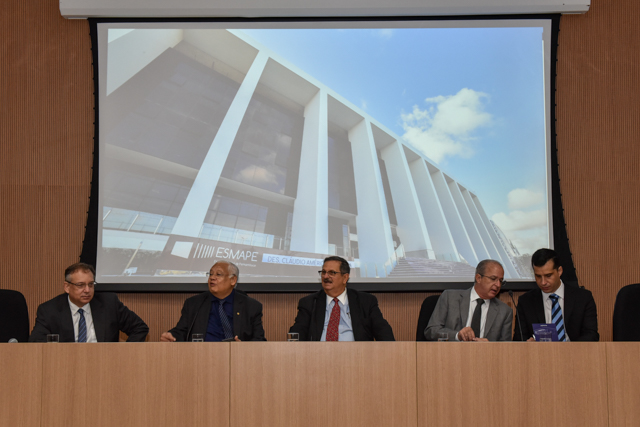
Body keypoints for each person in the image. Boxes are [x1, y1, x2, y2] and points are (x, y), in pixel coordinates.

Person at [29, 263, 148, 342]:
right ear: (67, 287)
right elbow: (36, 341)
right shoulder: (49, 310)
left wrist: (122, 353)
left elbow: (140, 328)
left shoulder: (109, 304)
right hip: (66, 366)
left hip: (104, 364)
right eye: (80, 285)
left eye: (91, 284)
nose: (87, 290)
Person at [289, 256, 394, 341]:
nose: (326, 276)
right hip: (319, 357)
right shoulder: (309, 303)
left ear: (345, 278)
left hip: (357, 358)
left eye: (332, 273)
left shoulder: (365, 301)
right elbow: (297, 333)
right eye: (323, 272)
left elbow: (383, 332)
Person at [161, 261, 265, 342]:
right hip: (201, 356)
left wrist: (241, 347)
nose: (212, 278)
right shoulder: (193, 304)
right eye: (210, 274)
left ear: (233, 280)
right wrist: (171, 336)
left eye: (218, 274)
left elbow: (259, 340)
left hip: (237, 359)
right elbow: (181, 331)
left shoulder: (251, 306)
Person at [513, 248, 598, 341]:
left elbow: (591, 335)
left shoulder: (583, 298)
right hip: (539, 354)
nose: (543, 282)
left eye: (548, 276)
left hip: (576, 353)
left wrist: (568, 351)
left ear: (559, 271)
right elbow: (519, 338)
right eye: (538, 276)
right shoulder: (526, 301)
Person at [425, 259, 512, 341]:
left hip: (486, 356)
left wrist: (489, 346)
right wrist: (457, 335)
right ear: (478, 278)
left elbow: (507, 347)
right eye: (493, 279)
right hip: (451, 354)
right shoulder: (450, 298)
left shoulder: (504, 311)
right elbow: (431, 331)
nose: (498, 285)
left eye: (500, 281)